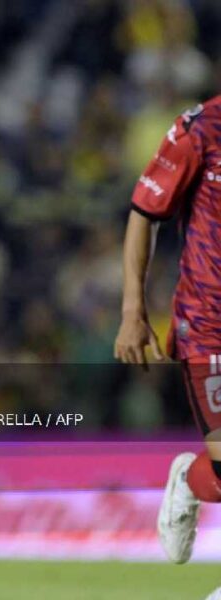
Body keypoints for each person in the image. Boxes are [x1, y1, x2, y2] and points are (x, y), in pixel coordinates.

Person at [114, 97, 221, 564]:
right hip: (209, 324)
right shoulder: (202, 129)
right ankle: (188, 479)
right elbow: (144, 212)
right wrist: (132, 312)